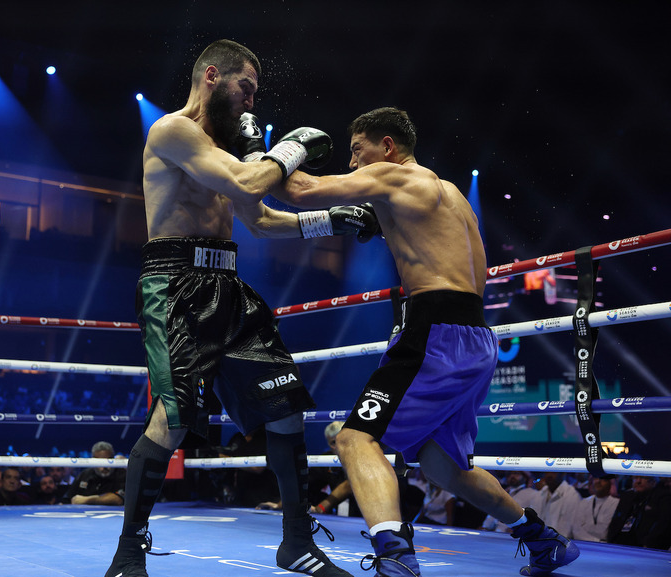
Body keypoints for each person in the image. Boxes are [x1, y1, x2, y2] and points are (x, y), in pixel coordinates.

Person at [103, 39, 377, 577]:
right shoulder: (172, 131)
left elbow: (260, 220)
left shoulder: (223, 152)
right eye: (244, 88)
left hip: (228, 285)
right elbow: (252, 180)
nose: (251, 103)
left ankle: (297, 543)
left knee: (286, 409)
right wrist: (290, 148)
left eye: (255, 93)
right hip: (175, 285)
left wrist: (332, 220)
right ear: (211, 76)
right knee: (175, 417)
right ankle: (127, 554)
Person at [272, 106, 580, 576]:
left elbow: (298, 189)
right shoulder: (451, 193)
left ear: (388, 147)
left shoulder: (395, 180)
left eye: (359, 150)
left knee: (355, 439)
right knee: (443, 465)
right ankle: (544, 540)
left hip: (434, 330)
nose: (354, 164)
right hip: (475, 337)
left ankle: (395, 558)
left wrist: (274, 151)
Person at [607, 475, 671, 549]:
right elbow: (615, 523)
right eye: (635, 478)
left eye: (643, 478)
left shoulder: (664, 498)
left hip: (646, 547)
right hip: (619, 545)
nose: (638, 481)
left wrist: (648, 545)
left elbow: (662, 526)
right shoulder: (627, 496)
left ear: (654, 480)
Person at [64, 441, 126, 505]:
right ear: (93, 461)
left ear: (113, 459)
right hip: (85, 513)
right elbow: (68, 499)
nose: (104, 466)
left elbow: (118, 499)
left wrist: (87, 499)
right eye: (100, 462)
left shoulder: (122, 474)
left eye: (108, 461)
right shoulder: (85, 475)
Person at [570, 475, 619, 542]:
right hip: (584, 547)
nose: (598, 481)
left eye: (603, 479)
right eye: (596, 478)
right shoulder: (584, 502)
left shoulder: (616, 503)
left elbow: (605, 533)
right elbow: (576, 530)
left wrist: (586, 526)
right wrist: (598, 541)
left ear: (610, 483)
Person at [532, 472, 581, 537]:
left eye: (554, 472)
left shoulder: (572, 495)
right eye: (547, 472)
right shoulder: (539, 494)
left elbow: (567, 531)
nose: (549, 475)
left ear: (563, 473)